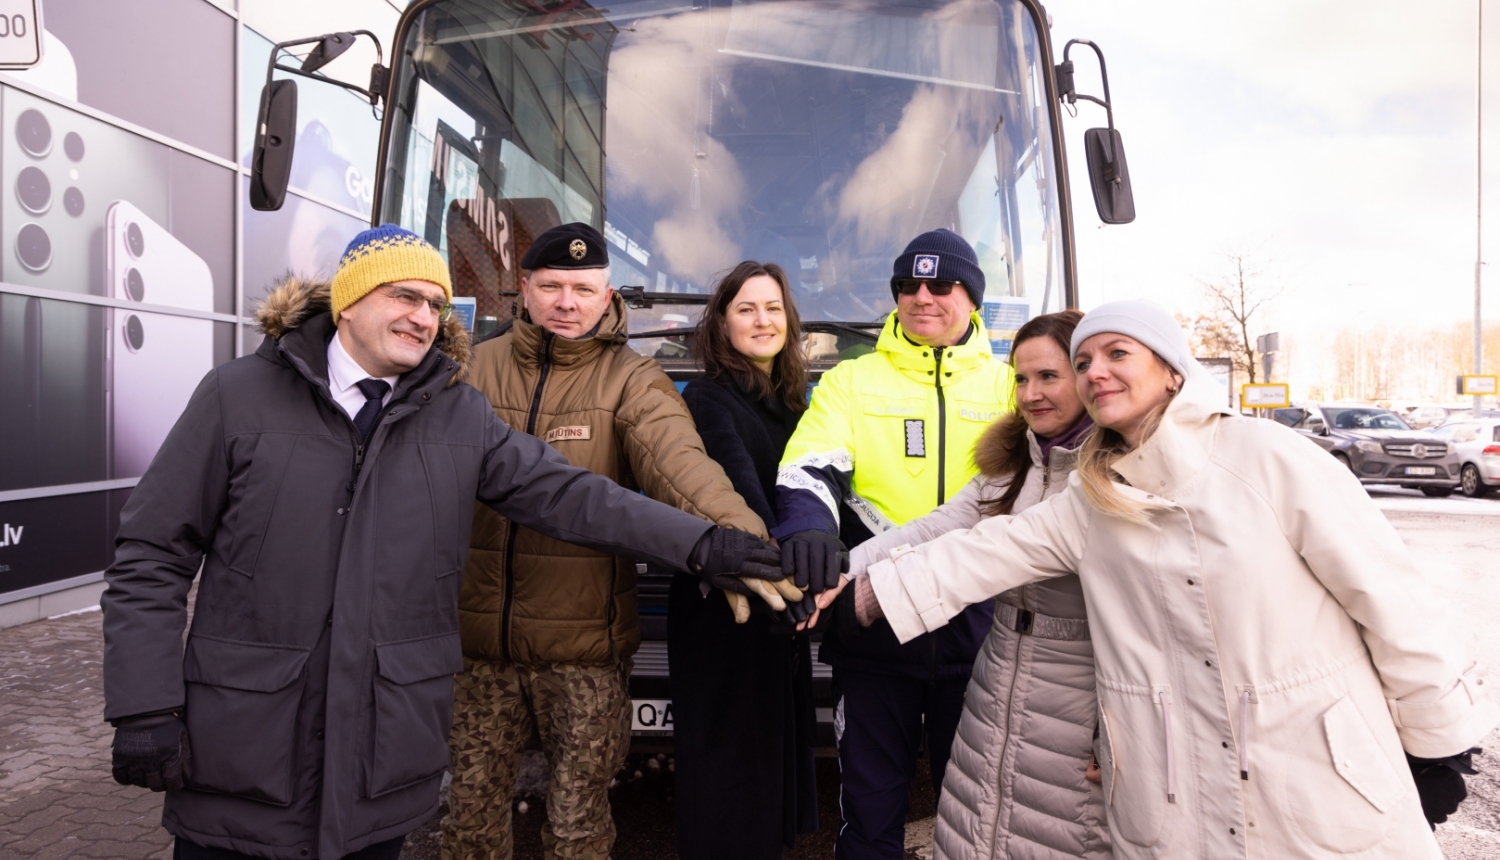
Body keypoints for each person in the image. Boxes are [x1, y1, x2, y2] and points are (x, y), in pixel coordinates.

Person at [100, 225, 785, 860]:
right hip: (248, 751)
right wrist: (144, 705)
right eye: (403, 295)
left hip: (379, 762)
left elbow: (574, 496)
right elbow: (151, 556)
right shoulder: (237, 396)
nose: (423, 316)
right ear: (347, 301)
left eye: (434, 302)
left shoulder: (456, 412)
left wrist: (706, 544)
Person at [833, 300, 1496, 859]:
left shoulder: (1267, 459)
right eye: (1086, 361)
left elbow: (1392, 600)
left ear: (1171, 369)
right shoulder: (1095, 498)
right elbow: (979, 551)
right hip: (1178, 791)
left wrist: (1439, 743)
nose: (1096, 372)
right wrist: (857, 596)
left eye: (1116, 354)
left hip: (1317, 773)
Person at [444, 225, 805, 860]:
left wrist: (744, 544)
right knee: (468, 825)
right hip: (478, 653)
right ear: (523, 290)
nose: (566, 302)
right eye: (551, 286)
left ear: (607, 294)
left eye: (583, 289)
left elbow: (683, 472)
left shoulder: (634, 382)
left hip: (581, 650)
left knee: (577, 832)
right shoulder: (469, 371)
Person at [774, 228, 1015, 859]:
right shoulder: (852, 382)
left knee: (980, 820)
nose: (922, 297)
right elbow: (809, 468)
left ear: (973, 298)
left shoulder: (1012, 386)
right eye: (908, 285)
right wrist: (807, 529)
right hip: (874, 632)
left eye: (941, 284)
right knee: (869, 817)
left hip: (981, 635)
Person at [849, 309, 1111, 860]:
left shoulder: (1115, 471)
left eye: (1049, 376)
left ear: (1086, 375)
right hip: (999, 688)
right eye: (1020, 378)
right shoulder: (1013, 460)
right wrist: (842, 572)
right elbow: (938, 527)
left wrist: (1118, 727)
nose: (1030, 394)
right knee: (982, 828)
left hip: (1076, 707)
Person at [671, 261, 819, 859]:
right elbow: (741, 495)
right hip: (730, 604)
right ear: (722, 322)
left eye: (773, 308)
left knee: (762, 768)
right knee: (730, 775)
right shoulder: (709, 395)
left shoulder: (790, 398)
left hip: (774, 600)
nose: (762, 320)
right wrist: (787, 577)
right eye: (746, 309)